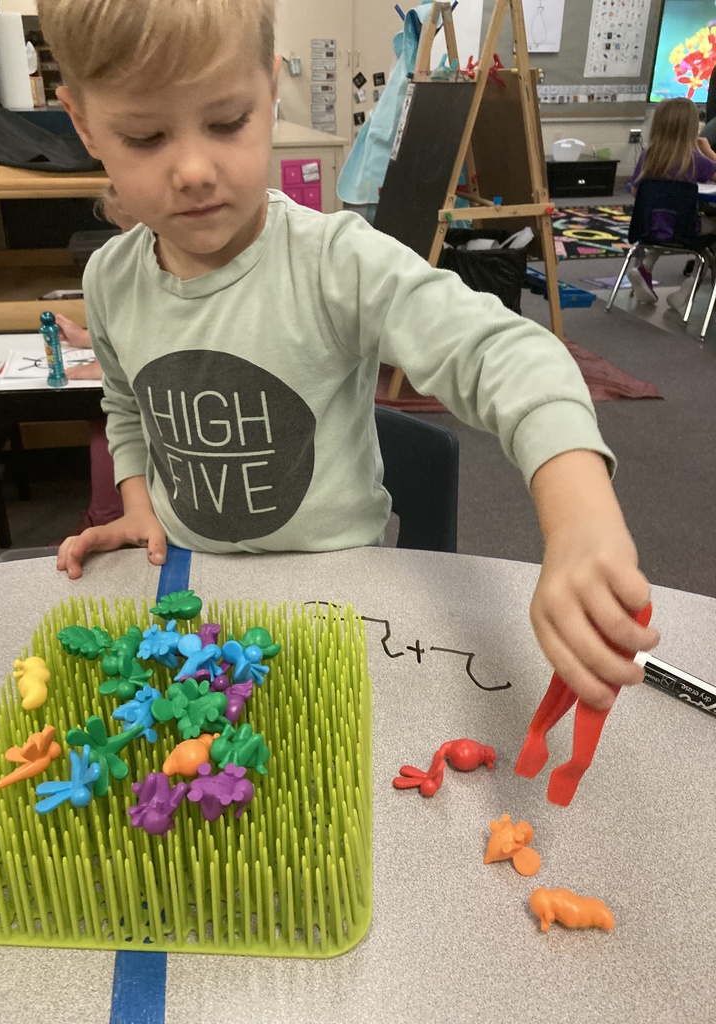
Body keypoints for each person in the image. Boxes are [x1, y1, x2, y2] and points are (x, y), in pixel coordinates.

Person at [37, 0, 659, 711]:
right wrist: (140, 503)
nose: (193, 170)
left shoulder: (335, 261)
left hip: (343, 601)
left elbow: (502, 351)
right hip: (193, 595)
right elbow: (125, 404)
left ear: (270, 93)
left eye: (227, 122)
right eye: (145, 136)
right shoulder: (110, 281)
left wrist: (579, 519)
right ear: (83, 122)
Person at [56, 186, 136, 529]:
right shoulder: (119, 268)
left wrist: (103, 367)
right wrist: (88, 339)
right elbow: (130, 328)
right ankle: (103, 516)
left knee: (107, 425)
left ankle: (105, 517)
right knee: (102, 419)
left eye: (131, 232)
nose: (124, 242)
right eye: (121, 232)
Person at [626, 97, 716, 312]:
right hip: (686, 230)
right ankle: (687, 288)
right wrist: (706, 149)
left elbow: (635, 190)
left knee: (665, 222)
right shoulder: (695, 160)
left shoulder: (648, 157)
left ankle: (645, 266)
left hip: (646, 228)